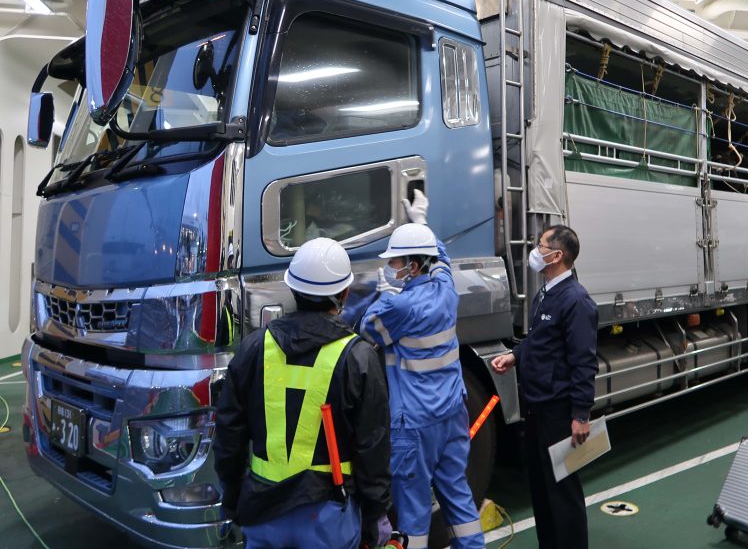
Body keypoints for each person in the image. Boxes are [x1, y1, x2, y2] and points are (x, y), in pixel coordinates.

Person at [213, 238, 393, 549]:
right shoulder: (358, 357)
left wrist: (232, 498)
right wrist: (376, 513)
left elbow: (229, 433)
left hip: (261, 508)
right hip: (327, 517)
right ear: (344, 294)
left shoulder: (255, 347)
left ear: (293, 289)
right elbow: (372, 447)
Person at [358, 190, 484, 549]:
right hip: (451, 412)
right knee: (458, 495)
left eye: (396, 263)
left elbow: (368, 327)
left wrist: (385, 295)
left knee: (413, 511)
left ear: (414, 266)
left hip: (415, 424)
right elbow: (441, 258)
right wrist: (422, 223)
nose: (391, 268)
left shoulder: (400, 308)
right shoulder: (447, 289)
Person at [490, 225, 599, 549]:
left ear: (557, 255)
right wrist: (515, 355)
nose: (535, 251)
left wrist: (580, 414)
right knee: (540, 488)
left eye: (540, 246)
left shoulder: (577, 301)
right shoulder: (547, 292)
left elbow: (584, 362)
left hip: (558, 410)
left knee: (562, 491)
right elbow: (540, 340)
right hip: (536, 406)